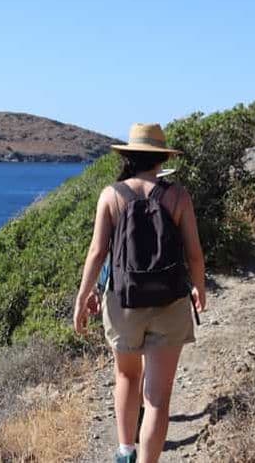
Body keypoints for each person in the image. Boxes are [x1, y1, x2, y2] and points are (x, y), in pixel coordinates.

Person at [73, 123, 206, 463]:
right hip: (171, 301)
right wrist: (200, 289)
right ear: (161, 159)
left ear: (129, 156)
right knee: (158, 399)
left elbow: (97, 252)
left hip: (122, 302)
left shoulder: (112, 195)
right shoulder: (178, 196)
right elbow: (194, 254)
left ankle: (125, 451)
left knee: (126, 376)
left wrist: (83, 298)